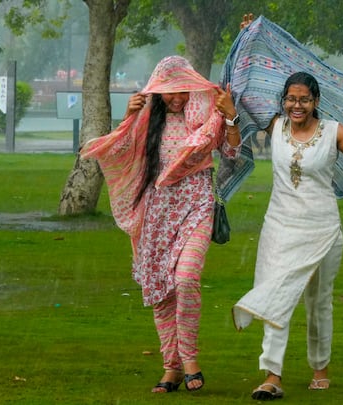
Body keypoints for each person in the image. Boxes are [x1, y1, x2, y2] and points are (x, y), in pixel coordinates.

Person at [231, 13, 343, 402]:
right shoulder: (274, 125)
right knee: (277, 293)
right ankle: (272, 375)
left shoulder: (333, 133)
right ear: (284, 101)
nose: (297, 105)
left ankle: (320, 368)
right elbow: (242, 91)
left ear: (316, 102)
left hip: (323, 229)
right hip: (279, 226)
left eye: (304, 100)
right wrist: (248, 36)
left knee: (318, 303)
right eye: (291, 99)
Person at [80, 56, 242, 393]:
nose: (178, 99)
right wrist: (128, 116)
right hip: (156, 214)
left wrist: (230, 115)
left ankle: (190, 359)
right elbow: (119, 151)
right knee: (162, 293)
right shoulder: (147, 119)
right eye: (169, 93)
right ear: (157, 91)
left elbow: (232, 152)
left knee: (185, 280)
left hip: (197, 208)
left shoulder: (206, 117)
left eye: (183, 91)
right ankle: (171, 368)